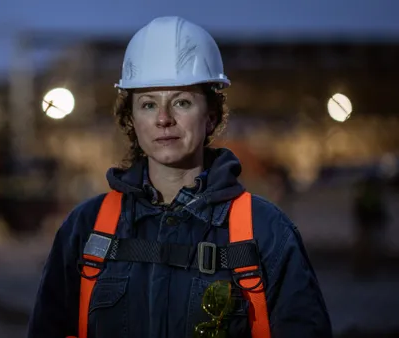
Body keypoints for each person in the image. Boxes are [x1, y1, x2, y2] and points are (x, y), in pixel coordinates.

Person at [27, 16, 332, 338]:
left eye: (182, 102)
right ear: (131, 119)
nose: (163, 119)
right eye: (147, 104)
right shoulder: (86, 228)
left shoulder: (266, 231)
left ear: (211, 117)